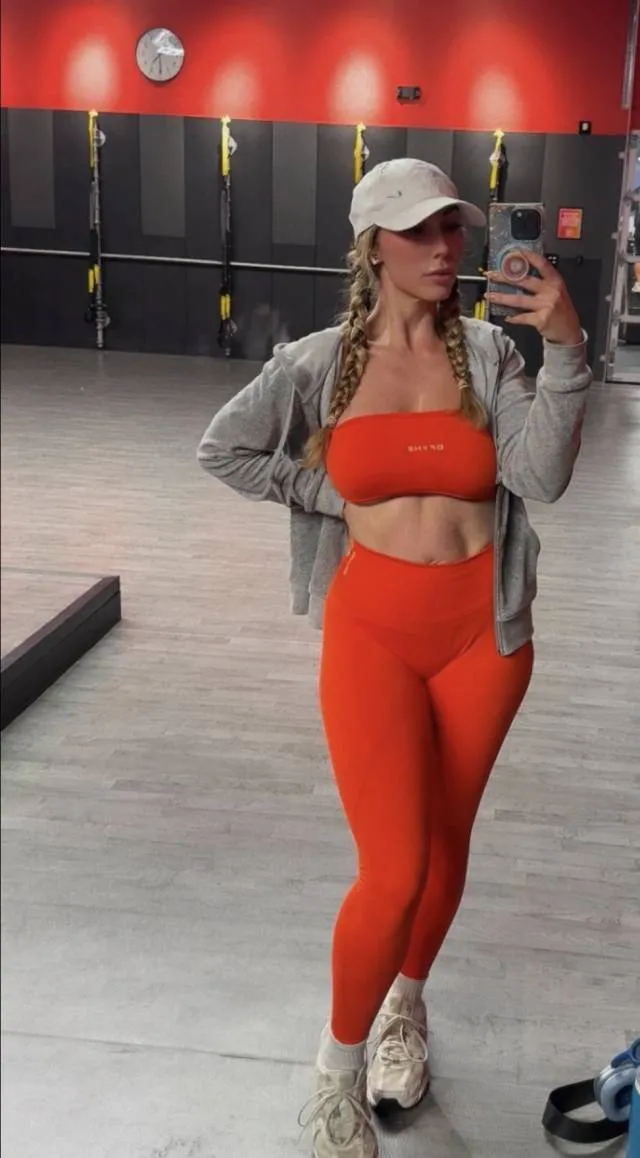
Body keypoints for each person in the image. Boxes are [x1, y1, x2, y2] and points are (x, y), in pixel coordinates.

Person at [198, 158, 592, 1158]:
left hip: (482, 638)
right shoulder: (317, 364)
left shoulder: (490, 355)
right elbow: (224, 448)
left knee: (445, 847)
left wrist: (565, 349)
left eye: (451, 228)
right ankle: (334, 1074)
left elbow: (540, 477)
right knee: (394, 866)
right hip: (372, 631)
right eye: (418, 230)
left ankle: (403, 1009)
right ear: (371, 244)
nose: (443, 247)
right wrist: (330, 494)